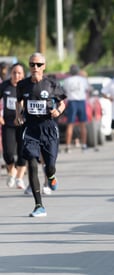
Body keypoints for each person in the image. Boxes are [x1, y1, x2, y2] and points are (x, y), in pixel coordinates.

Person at [15, 52, 67, 217]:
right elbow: (19, 102)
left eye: (38, 64)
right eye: (32, 64)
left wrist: (58, 111)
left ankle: (51, 175)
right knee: (31, 163)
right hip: (30, 129)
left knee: (49, 165)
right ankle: (39, 205)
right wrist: (18, 114)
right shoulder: (22, 85)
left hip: (49, 129)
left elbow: (63, 103)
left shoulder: (51, 84)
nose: (35, 67)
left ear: (44, 66)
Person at [0, 63, 27, 189]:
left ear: (23, 74)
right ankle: (12, 172)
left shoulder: (27, 86)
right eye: (14, 73)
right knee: (8, 153)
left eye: (19, 73)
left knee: (23, 153)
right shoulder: (5, 86)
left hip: (23, 124)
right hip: (8, 123)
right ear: (10, 73)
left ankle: (19, 178)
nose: (16, 75)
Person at [62, 64, 90, 152]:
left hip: (72, 102)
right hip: (81, 102)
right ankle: (84, 145)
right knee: (83, 125)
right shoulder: (83, 80)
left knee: (70, 124)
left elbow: (65, 91)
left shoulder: (66, 80)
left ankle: (68, 145)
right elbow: (88, 89)